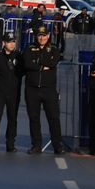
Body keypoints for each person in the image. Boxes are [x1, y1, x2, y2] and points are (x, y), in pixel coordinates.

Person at [23, 23, 64, 154]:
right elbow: (27, 63)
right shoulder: (29, 48)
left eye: (44, 35)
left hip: (49, 89)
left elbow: (53, 62)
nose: (42, 38)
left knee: (53, 118)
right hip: (32, 88)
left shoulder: (54, 48)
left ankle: (58, 145)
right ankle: (36, 145)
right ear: (36, 36)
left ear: (48, 36)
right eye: (40, 36)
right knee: (34, 118)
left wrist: (37, 62)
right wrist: (41, 66)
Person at [0, 31, 25, 153]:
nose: (12, 44)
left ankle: (10, 143)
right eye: (9, 42)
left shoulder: (18, 56)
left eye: (13, 41)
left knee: (12, 118)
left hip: (13, 93)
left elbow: (22, 71)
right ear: (3, 43)